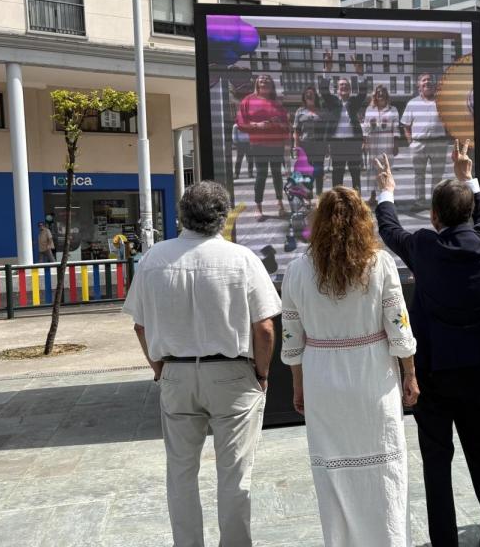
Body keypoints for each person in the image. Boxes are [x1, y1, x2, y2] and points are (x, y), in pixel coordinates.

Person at [123, 181, 281, 547]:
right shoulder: (241, 259)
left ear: (182, 215)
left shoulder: (153, 259)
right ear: (222, 217)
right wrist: (262, 373)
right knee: (235, 474)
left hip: (176, 373)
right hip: (232, 374)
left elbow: (140, 326)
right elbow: (265, 328)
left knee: (180, 473)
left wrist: (160, 369)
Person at [374, 141, 480, 547]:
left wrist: (387, 190)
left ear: (435, 217)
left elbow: (388, 229)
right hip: (476, 371)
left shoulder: (425, 246)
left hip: (433, 373)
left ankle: (444, 541)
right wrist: (466, 176)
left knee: (437, 460)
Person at [281, 186, 419, 546]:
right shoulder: (381, 264)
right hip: (373, 377)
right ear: (363, 221)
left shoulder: (297, 270)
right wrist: (410, 374)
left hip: (323, 379)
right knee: (385, 472)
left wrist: (298, 385)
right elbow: (399, 328)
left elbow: (292, 340)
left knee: (334, 477)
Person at [237, 74, 289, 221]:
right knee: (261, 175)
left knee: (277, 175)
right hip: (258, 144)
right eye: (261, 79)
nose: (264, 81)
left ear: (272, 85)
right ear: (257, 83)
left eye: (267, 79)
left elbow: (286, 126)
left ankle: (280, 205)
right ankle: (258, 208)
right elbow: (241, 123)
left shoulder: (277, 104)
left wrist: (279, 124)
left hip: (276, 145)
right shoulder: (248, 100)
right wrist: (257, 125)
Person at [401, 73, 450, 211]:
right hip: (418, 144)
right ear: (419, 85)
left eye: (429, 79)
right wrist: (410, 142)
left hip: (439, 143)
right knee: (419, 175)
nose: (427, 82)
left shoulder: (441, 101)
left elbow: (449, 121)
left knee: (437, 176)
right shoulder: (412, 103)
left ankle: (436, 203)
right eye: (424, 80)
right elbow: (406, 125)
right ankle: (420, 203)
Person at [321, 77, 369, 192]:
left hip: (353, 143)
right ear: (337, 89)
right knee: (337, 175)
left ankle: (356, 202)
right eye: (341, 85)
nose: (344, 86)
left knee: (355, 175)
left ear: (350, 89)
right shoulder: (332, 102)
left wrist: (360, 75)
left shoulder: (353, 102)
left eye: (346, 85)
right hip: (336, 144)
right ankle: (338, 202)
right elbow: (324, 92)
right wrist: (326, 72)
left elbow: (362, 94)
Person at [362, 84, 400, 195]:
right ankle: (373, 195)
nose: (380, 94)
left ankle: (387, 193)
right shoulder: (370, 109)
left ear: (386, 94)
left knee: (387, 168)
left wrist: (396, 144)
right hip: (373, 140)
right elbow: (366, 127)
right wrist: (365, 142)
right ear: (375, 95)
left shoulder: (393, 110)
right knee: (373, 168)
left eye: (383, 92)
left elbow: (396, 128)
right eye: (378, 92)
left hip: (387, 141)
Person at [293, 86, 327, 196]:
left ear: (315, 96)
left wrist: (327, 147)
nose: (309, 95)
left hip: (319, 146)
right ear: (304, 97)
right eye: (307, 93)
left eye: (312, 93)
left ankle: (319, 196)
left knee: (319, 171)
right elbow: (296, 131)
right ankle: (307, 195)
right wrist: (296, 147)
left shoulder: (322, 111)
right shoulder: (300, 111)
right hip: (305, 145)